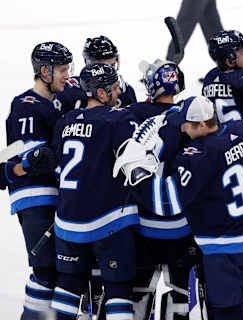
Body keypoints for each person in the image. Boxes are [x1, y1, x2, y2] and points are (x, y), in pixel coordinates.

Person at [121, 95, 243, 319]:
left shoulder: (197, 156)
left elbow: (166, 201)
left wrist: (135, 172)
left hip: (227, 253)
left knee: (227, 314)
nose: (182, 129)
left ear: (202, 124)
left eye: (186, 124)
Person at [50, 63, 139, 320]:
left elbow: (59, 169)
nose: (118, 94)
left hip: (67, 220)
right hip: (108, 220)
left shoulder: (64, 122)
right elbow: (136, 165)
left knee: (67, 287)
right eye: (112, 89)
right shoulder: (119, 119)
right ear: (101, 93)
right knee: (118, 289)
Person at [117, 59, 199, 320]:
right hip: (182, 224)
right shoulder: (192, 118)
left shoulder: (134, 112)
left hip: (144, 223)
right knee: (180, 293)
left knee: (139, 292)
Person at [7, 41, 73, 319]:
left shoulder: (55, 101)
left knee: (59, 271)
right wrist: (30, 161)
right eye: (62, 70)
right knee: (46, 270)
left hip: (55, 196)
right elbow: (28, 161)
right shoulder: (25, 106)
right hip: (34, 198)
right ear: (45, 71)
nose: (67, 75)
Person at [55, 35, 137, 113]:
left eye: (112, 66)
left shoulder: (124, 91)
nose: (109, 72)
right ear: (87, 63)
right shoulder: (69, 90)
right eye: (102, 67)